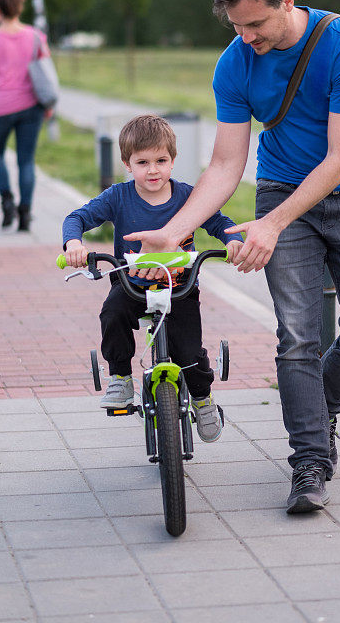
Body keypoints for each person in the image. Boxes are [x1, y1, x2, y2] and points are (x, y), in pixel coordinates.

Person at [124, 0, 340, 511]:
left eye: (255, 24)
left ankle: (322, 407)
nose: (245, 38)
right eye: (236, 26)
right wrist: (173, 232)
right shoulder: (235, 63)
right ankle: (310, 462)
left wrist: (269, 224)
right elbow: (224, 165)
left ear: (287, 2)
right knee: (297, 336)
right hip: (279, 194)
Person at [62, 114, 244, 442]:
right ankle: (119, 377)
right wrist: (74, 243)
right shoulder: (118, 197)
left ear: (173, 160)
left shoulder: (189, 195)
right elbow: (78, 217)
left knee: (188, 351)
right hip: (132, 286)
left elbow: (218, 222)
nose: (153, 170)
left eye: (161, 160)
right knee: (112, 313)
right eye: (142, 162)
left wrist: (233, 242)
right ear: (127, 164)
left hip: (180, 287)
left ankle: (203, 399)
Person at [0, 0, 52, 232]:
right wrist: (50, 105)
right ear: (19, 9)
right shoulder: (36, 36)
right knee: (26, 160)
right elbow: (46, 73)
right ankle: (25, 214)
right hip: (31, 106)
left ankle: (7, 202)